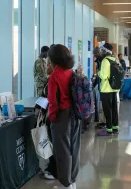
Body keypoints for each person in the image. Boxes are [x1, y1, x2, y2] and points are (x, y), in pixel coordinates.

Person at [48, 44, 80, 189]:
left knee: (62, 149)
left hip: (62, 114)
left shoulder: (55, 75)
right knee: (74, 146)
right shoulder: (70, 72)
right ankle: (72, 181)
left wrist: (52, 116)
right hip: (75, 113)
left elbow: (53, 101)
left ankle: (65, 183)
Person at [98, 43, 119, 136]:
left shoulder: (105, 61)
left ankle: (109, 129)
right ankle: (115, 128)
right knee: (114, 109)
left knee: (107, 110)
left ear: (105, 51)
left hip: (106, 89)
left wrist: (98, 72)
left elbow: (103, 75)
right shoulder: (114, 59)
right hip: (114, 89)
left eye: (102, 50)